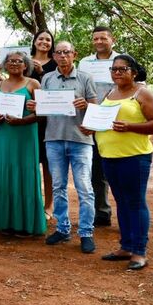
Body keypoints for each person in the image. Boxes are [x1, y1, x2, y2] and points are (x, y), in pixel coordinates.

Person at [89, 54, 153, 271]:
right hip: (109, 155)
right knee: (121, 201)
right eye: (114, 69)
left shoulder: (143, 94)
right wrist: (91, 127)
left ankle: (139, 252)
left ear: (134, 72)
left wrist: (130, 127)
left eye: (123, 69)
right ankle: (126, 246)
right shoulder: (109, 93)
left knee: (136, 202)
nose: (117, 73)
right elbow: (104, 122)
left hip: (134, 156)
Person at [29, 41, 99, 254]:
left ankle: (86, 232)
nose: (62, 56)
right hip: (54, 139)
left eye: (66, 52)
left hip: (80, 140)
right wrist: (35, 106)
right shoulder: (47, 78)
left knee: (84, 188)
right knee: (58, 186)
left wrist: (86, 106)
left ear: (74, 55)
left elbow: (95, 108)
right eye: (58, 53)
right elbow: (42, 110)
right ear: (54, 56)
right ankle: (62, 228)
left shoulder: (85, 78)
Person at [0, 50, 46, 237]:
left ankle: (26, 223)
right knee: (4, 173)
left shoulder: (33, 84)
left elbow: (42, 113)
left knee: (25, 174)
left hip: (25, 136)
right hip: (4, 134)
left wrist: (22, 121)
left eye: (18, 61)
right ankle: (5, 222)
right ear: (5, 64)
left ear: (25, 65)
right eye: (10, 61)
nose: (14, 63)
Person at [78, 25, 119, 227]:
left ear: (113, 40)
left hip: (116, 121)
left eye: (103, 38)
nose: (99, 42)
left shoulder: (122, 61)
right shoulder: (85, 63)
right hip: (92, 120)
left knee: (118, 169)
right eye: (95, 39)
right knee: (96, 170)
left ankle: (125, 215)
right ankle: (101, 212)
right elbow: (80, 88)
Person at [29, 29, 57, 221]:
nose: (44, 42)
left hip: (49, 120)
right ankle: (32, 204)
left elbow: (57, 90)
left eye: (48, 40)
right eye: (41, 39)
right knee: (30, 163)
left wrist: (42, 72)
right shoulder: (24, 60)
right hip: (27, 119)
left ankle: (49, 205)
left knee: (48, 164)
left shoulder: (56, 63)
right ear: (34, 41)